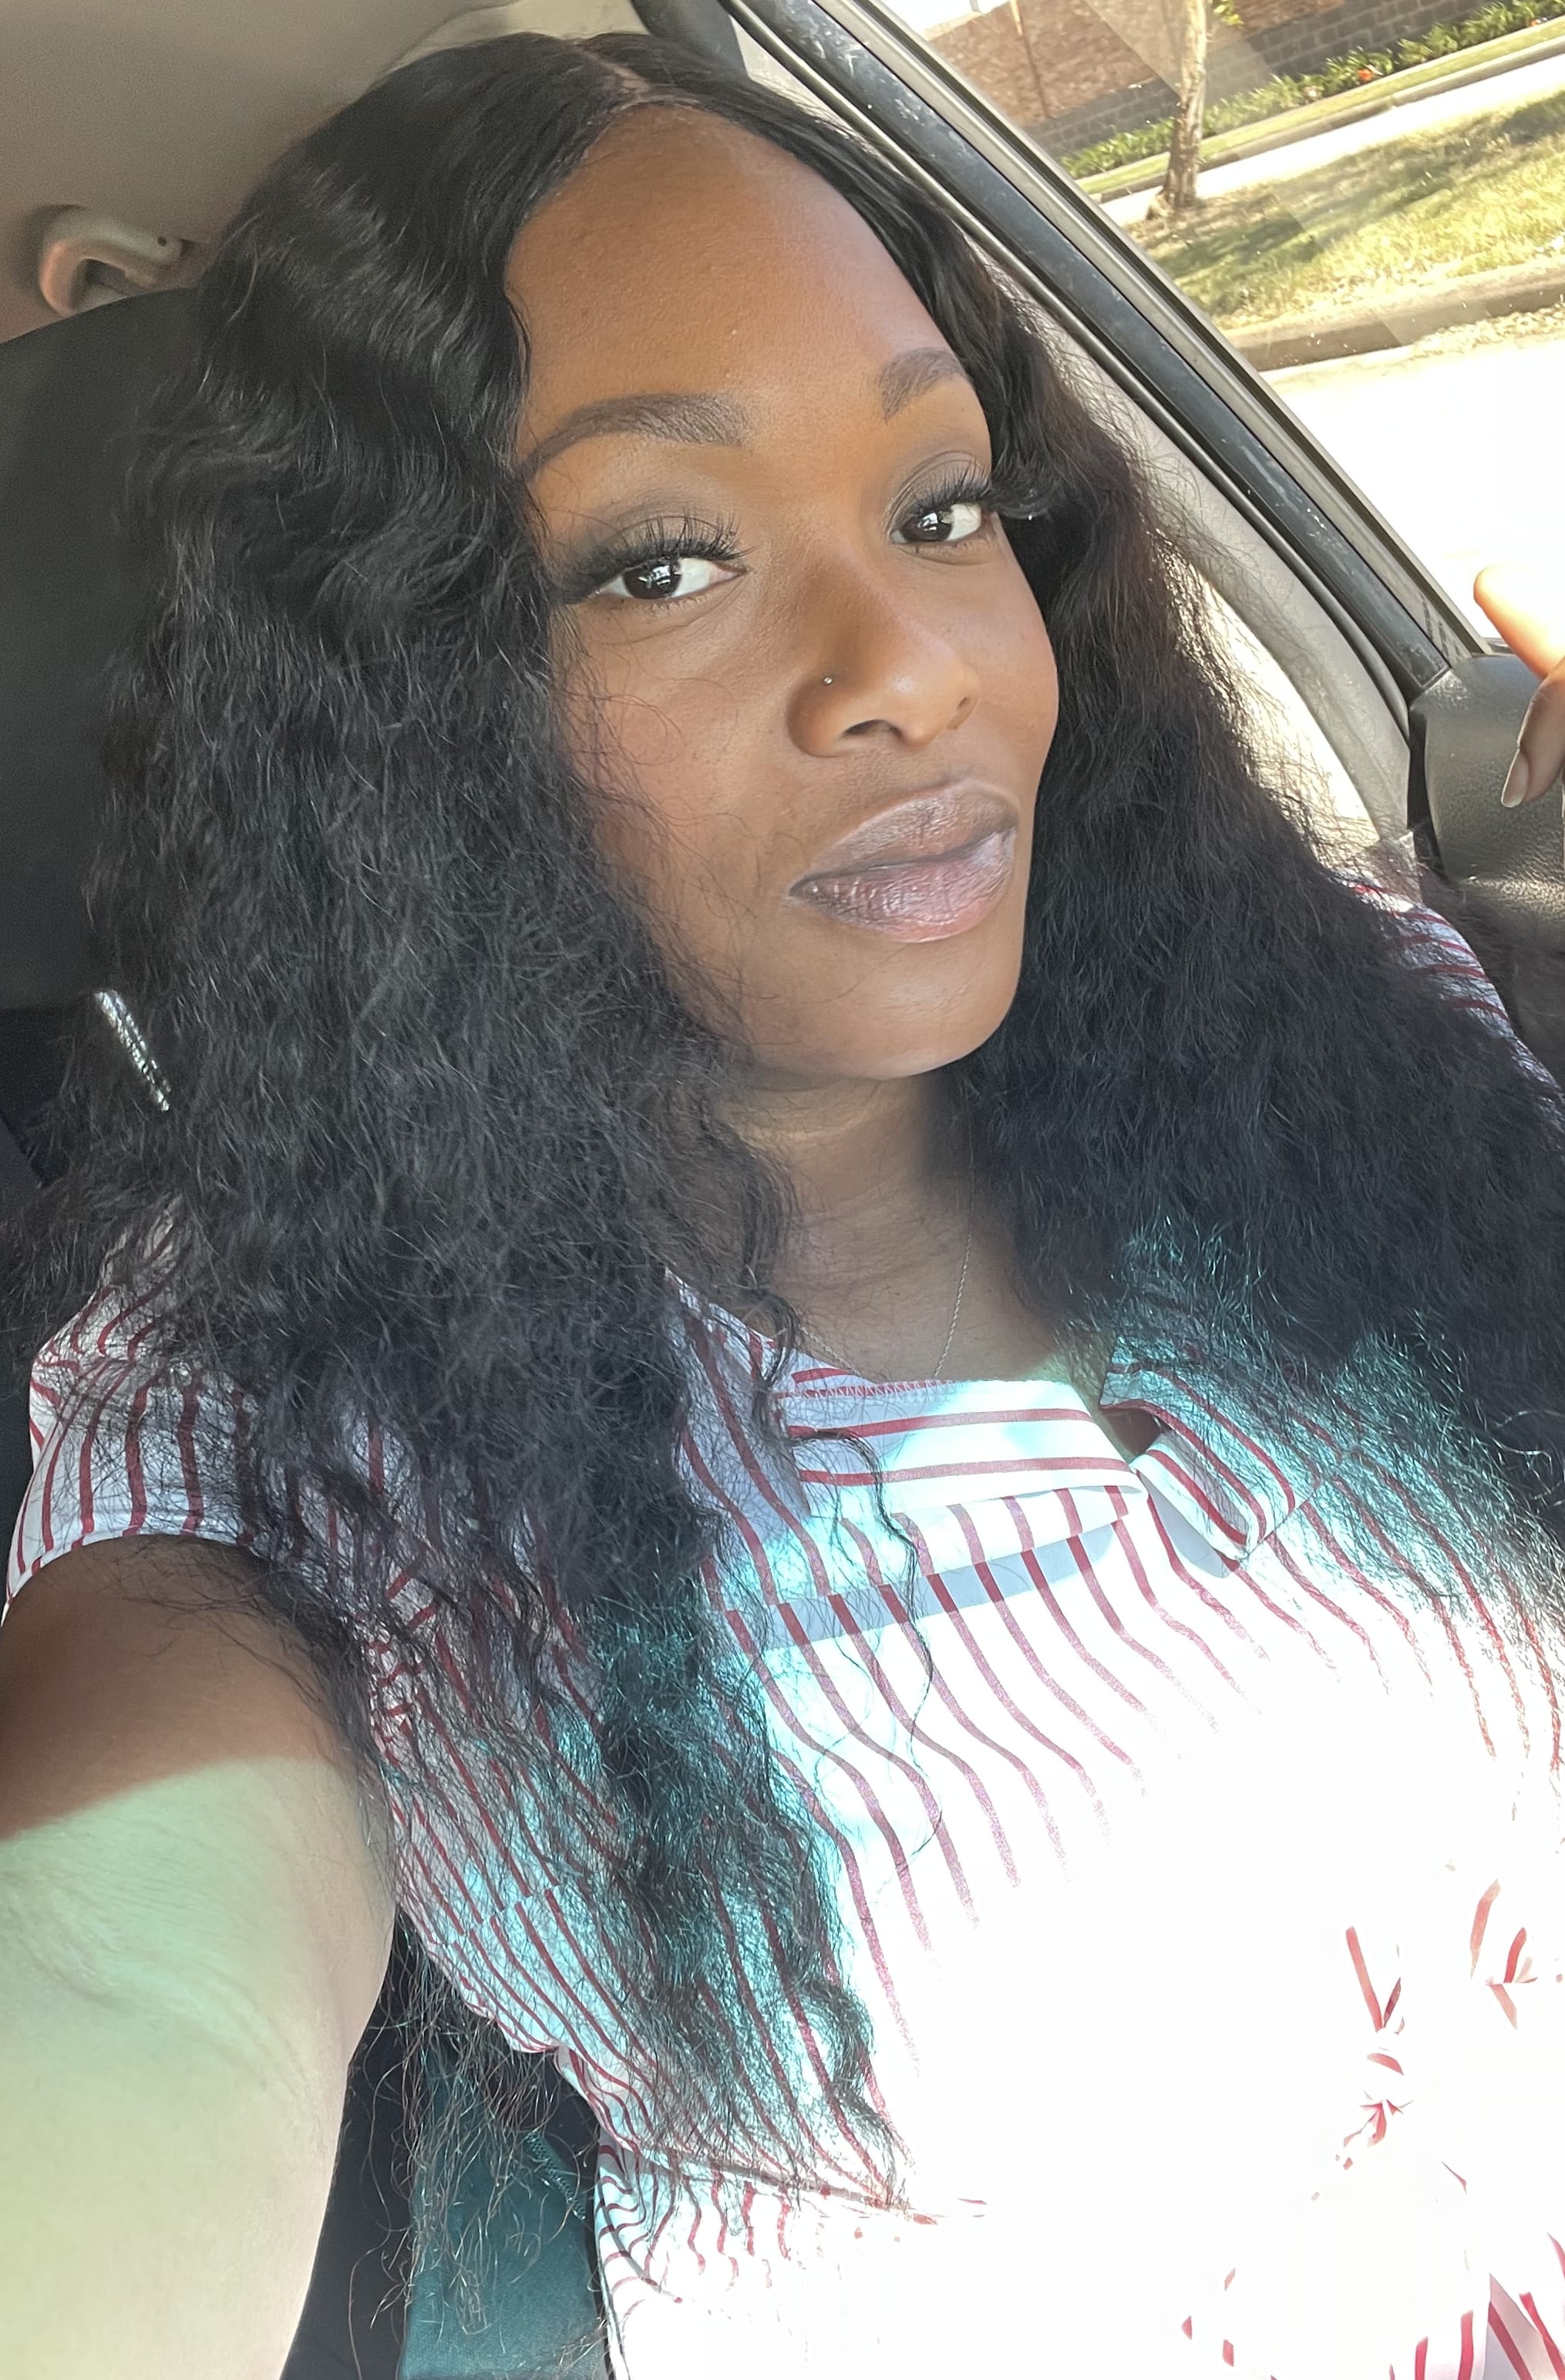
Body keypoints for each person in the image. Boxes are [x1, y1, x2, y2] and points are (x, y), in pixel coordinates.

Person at [5, 30, 1565, 2380]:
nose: (907, 670)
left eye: (942, 509)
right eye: (663, 563)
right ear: (400, 709)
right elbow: (123, 1981)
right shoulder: (270, 1408)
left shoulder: (1338, 1039)